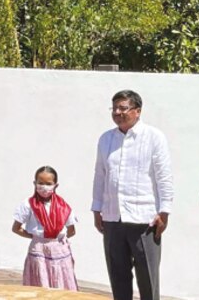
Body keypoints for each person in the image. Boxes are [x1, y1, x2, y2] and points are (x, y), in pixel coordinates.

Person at [91, 89, 173, 300]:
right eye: (115, 108)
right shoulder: (106, 139)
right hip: (113, 217)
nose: (118, 112)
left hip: (144, 219)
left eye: (123, 108)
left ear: (137, 111)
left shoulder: (154, 137)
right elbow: (100, 174)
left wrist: (164, 211)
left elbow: (163, 176)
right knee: (118, 277)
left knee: (147, 278)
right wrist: (97, 208)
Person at [12, 166, 78, 291]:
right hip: (39, 251)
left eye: (48, 184)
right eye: (40, 183)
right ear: (34, 183)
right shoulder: (28, 204)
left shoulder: (63, 206)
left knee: (62, 284)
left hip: (60, 251)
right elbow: (16, 228)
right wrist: (35, 236)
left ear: (55, 185)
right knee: (40, 284)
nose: (44, 187)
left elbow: (72, 230)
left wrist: (58, 240)